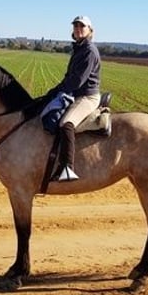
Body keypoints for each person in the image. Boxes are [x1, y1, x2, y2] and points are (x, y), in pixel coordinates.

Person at [46, 15, 102, 182]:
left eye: (82, 27)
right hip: (76, 94)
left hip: (87, 97)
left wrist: (58, 91)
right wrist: (54, 91)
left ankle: (67, 169)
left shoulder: (89, 51)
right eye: (76, 26)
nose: (78, 29)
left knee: (66, 124)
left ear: (89, 30)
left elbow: (77, 81)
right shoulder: (79, 48)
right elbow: (69, 77)